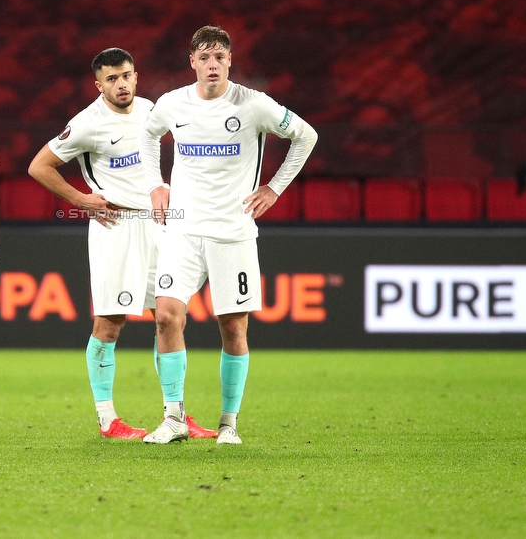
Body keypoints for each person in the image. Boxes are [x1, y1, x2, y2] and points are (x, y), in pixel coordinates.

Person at [138, 25, 318, 445]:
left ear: (230, 61)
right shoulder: (172, 103)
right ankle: (173, 417)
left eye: (219, 56)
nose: (212, 64)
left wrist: (275, 187)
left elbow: (305, 135)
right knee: (165, 315)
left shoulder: (253, 104)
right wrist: (155, 183)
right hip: (182, 229)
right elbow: (147, 136)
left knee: (233, 328)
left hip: (232, 232)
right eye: (204, 57)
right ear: (193, 63)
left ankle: (228, 423)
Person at [28, 47, 217, 440]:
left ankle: (176, 415)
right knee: (109, 323)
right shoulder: (86, 123)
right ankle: (107, 419)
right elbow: (38, 166)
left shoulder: (152, 109)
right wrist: (80, 200)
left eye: (126, 75)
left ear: (136, 76)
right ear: (99, 85)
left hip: (159, 225)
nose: (121, 84)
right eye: (111, 79)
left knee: (170, 317)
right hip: (116, 228)